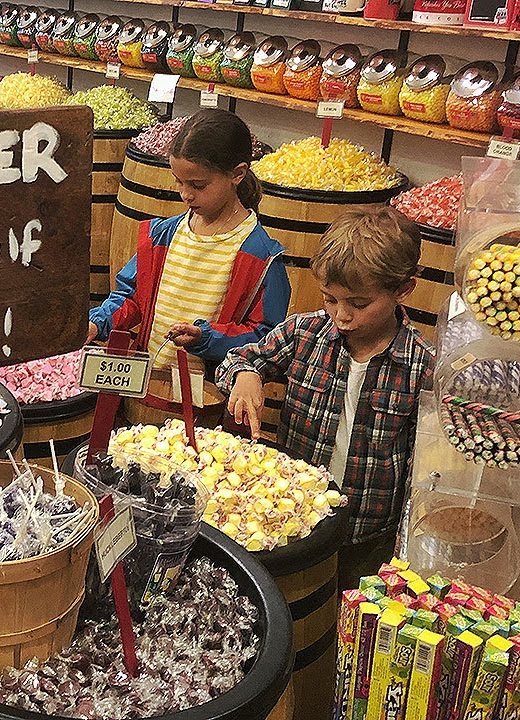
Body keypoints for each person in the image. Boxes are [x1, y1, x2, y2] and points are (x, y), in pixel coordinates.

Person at [215, 206, 434, 589]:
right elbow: (241, 358)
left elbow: (420, 466)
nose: (341, 315)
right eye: (330, 299)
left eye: (358, 303)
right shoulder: (306, 332)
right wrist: (246, 375)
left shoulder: (421, 365)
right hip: (293, 519)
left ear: (403, 290)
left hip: (367, 534)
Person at [86, 109, 290, 370]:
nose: (186, 195)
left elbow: (266, 338)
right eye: (179, 182)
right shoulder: (163, 236)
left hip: (211, 396)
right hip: (150, 384)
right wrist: (98, 323)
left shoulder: (262, 257)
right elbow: (131, 297)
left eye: (198, 185)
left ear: (237, 174)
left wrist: (207, 338)